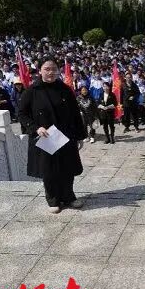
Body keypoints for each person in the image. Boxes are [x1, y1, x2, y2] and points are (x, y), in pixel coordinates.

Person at [18, 57, 86, 214]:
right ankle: (53, 199)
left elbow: (75, 114)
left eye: (54, 69)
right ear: (40, 70)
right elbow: (21, 114)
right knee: (49, 170)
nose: (51, 72)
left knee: (67, 168)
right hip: (45, 137)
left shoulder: (65, 89)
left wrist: (80, 135)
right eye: (47, 69)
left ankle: (69, 197)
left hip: (65, 136)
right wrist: (36, 128)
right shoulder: (32, 91)